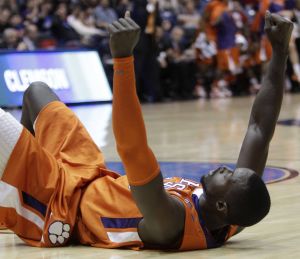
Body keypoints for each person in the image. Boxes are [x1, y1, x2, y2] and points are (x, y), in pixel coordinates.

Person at [0, 11, 293, 250]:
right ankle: (11, 196)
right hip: (86, 172)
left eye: (228, 175)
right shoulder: (231, 216)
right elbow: (258, 128)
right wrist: (279, 50)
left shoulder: (171, 223)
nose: (225, 167)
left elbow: (132, 148)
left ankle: (25, 201)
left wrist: (123, 60)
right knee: (36, 92)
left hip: (60, 202)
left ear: (221, 204)